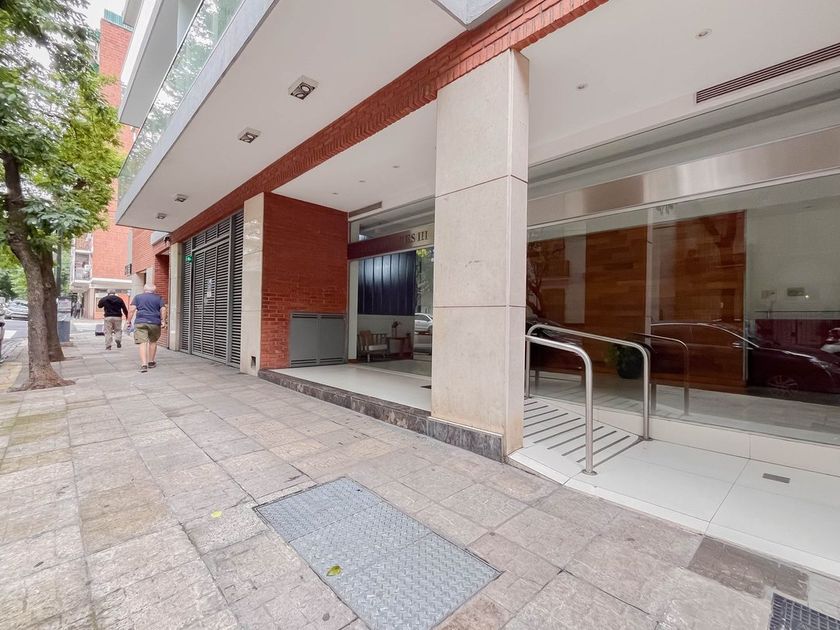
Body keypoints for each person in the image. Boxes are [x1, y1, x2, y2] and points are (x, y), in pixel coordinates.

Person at [127, 284, 167, 373]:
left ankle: (144, 364)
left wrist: (128, 321)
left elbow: (131, 310)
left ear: (144, 289)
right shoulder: (159, 298)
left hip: (141, 322)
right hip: (155, 322)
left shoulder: (138, 297)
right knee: (153, 342)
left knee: (143, 343)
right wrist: (163, 321)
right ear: (154, 290)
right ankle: (151, 362)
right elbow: (163, 309)